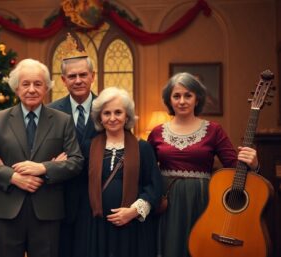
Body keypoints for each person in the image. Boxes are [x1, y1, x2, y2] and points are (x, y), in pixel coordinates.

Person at [0, 58, 84, 257]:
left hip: (47, 213)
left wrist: (43, 168)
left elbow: (76, 161)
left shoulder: (62, 121)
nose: (32, 89)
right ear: (16, 88)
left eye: (38, 84)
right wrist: (14, 177)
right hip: (6, 212)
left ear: (47, 88)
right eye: (26, 84)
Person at [147, 72, 259, 257]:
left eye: (188, 95)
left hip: (203, 201)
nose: (182, 101)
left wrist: (253, 164)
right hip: (166, 202)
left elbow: (234, 168)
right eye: (176, 96)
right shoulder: (157, 133)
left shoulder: (214, 130)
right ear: (169, 100)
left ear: (197, 99)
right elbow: (147, 172)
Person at [87, 87, 162, 257]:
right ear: (100, 117)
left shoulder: (142, 147)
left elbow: (155, 186)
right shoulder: (89, 147)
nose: (112, 118)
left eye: (118, 112)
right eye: (107, 113)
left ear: (127, 115)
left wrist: (133, 211)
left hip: (132, 228)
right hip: (97, 228)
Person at [47, 33, 98, 257]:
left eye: (83, 75)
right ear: (63, 80)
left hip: (96, 196)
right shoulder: (51, 112)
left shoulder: (107, 108)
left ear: (92, 76)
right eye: (72, 76)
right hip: (60, 198)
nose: (78, 80)